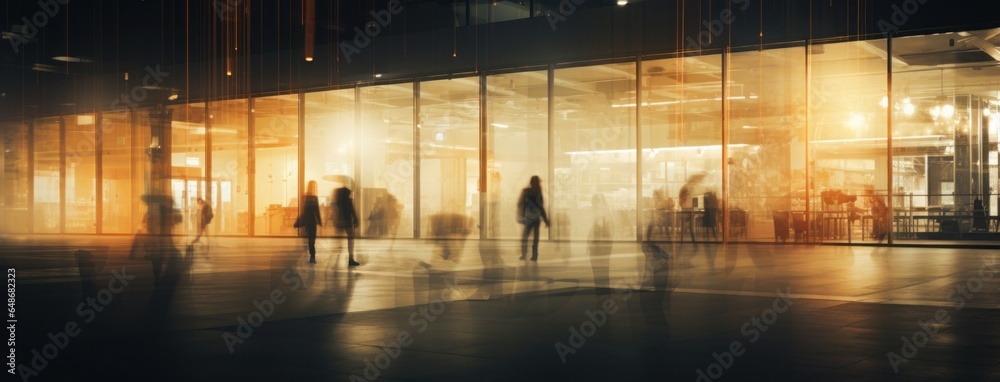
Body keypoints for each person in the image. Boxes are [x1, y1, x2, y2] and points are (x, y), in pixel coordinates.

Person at [517, 175, 550, 261]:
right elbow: (541, 208)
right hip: (536, 218)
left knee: (525, 237)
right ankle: (534, 255)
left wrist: (521, 215)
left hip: (528, 217)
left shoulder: (526, 191)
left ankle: (524, 254)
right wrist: (546, 220)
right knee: (535, 238)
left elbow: (522, 205)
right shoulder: (539, 193)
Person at [294, 181, 322, 264]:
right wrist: (319, 221)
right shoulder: (314, 198)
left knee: (310, 240)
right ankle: (312, 256)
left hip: (308, 221)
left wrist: (298, 222)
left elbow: (303, 211)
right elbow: (317, 211)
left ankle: (311, 256)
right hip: (312, 221)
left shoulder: (305, 198)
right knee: (312, 240)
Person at [334, 186, 361, 266]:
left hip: (342, 222)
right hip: (348, 222)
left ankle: (337, 260)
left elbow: (337, 212)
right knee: (350, 240)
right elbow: (352, 211)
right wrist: (355, 220)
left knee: (340, 241)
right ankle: (350, 259)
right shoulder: (349, 201)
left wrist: (337, 222)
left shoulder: (339, 202)